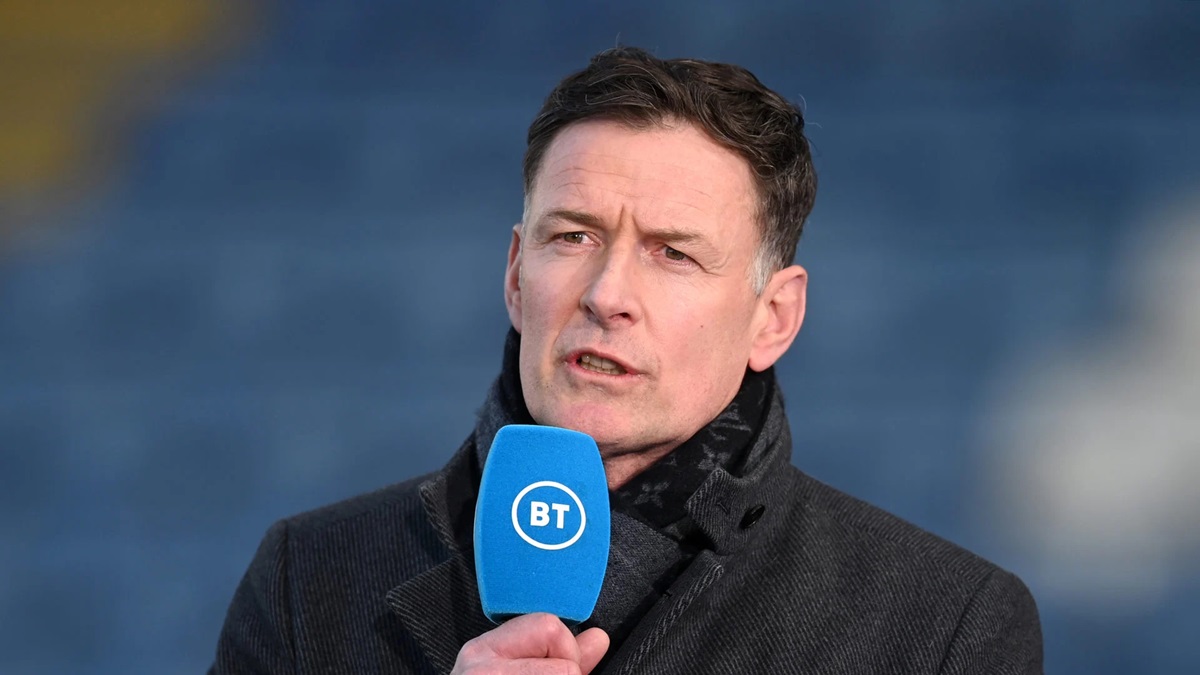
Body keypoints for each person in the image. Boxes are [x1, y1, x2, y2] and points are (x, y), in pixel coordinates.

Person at [210, 47, 1043, 674]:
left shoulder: (944, 628)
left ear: (774, 317)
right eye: (574, 236)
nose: (607, 294)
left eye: (673, 253)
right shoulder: (307, 581)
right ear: (515, 275)